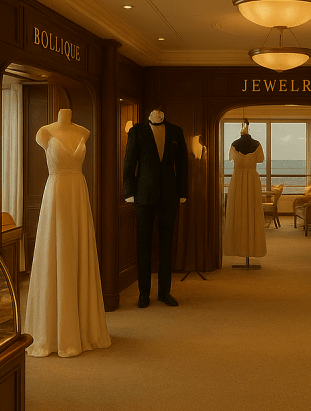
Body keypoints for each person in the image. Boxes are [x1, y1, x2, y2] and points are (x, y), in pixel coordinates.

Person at [23, 108, 110, 357]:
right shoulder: (44, 132)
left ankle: (83, 329)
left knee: (78, 252)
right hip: (57, 192)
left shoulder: (83, 131)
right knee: (56, 251)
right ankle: (53, 332)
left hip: (78, 193)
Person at [123, 107, 188, 307]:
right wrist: (128, 192)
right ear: (149, 114)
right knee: (143, 245)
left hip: (170, 196)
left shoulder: (176, 131)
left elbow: (183, 163)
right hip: (143, 196)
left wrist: (183, 192)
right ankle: (144, 294)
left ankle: (164, 292)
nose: (158, 113)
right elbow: (129, 162)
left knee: (167, 245)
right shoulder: (137, 131)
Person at [223, 121, 267, 258]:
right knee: (246, 211)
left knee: (242, 211)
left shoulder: (235, 145)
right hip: (250, 179)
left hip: (239, 179)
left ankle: (244, 248)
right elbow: (259, 159)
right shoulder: (256, 144)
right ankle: (245, 248)